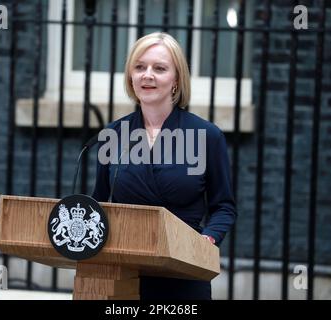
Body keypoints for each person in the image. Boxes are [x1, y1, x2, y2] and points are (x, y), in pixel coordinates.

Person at [92, 32, 236, 300]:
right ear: (130, 76)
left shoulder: (207, 136)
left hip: (183, 271)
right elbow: (98, 203)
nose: (147, 75)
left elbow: (223, 207)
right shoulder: (113, 134)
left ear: (176, 80)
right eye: (140, 67)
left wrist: (207, 240)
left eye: (159, 68)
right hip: (124, 273)